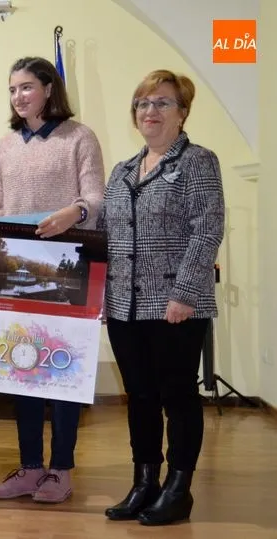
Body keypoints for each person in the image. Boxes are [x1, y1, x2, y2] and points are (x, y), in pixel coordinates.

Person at [100, 70, 224, 526]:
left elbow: (206, 230)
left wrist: (186, 293)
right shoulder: (122, 171)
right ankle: (145, 481)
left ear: (182, 112)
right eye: (142, 103)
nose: (150, 111)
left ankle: (179, 488)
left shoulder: (197, 162)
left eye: (162, 103)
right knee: (142, 397)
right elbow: (107, 236)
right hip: (124, 306)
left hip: (175, 305)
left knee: (178, 396)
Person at [0, 57, 104, 504]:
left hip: (70, 269)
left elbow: (95, 197)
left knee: (61, 370)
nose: (18, 97)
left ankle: (61, 470)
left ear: (50, 89)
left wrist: (74, 211)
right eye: (13, 89)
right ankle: (31, 468)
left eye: (27, 87)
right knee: (22, 367)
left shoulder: (79, 137)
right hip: (15, 271)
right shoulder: (4, 145)